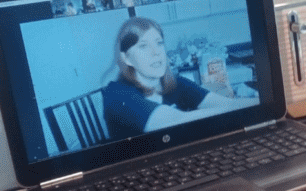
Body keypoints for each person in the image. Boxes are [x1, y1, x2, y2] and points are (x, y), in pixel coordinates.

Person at [102, 17, 244, 139]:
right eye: (143, 46)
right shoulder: (116, 94)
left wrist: (262, 101)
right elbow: (178, 120)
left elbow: (226, 104)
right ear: (126, 58)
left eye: (159, 43)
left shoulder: (176, 83)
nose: (155, 52)